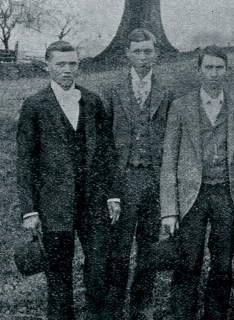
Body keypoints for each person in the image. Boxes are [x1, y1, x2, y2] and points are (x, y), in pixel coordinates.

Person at [16, 40, 122, 320]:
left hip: (93, 203)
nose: (67, 70)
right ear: (47, 66)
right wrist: (30, 210)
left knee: (100, 270)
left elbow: (106, 152)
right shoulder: (34, 106)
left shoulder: (92, 101)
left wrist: (112, 195)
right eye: (60, 64)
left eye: (72, 64)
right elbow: (25, 162)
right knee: (59, 277)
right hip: (54, 206)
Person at [159, 46, 234, 320]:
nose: (214, 74)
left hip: (227, 195)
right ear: (198, 71)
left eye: (219, 68)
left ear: (227, 71)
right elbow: (169, 160)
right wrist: (169, 210)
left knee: (223, 264)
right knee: (188, 262)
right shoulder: (180, 107)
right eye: (208, 68)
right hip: (192, 196)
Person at [101, 28, 175, 320]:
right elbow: (105, 144)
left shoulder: (167, 92)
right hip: (124, 179)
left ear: (156, 54)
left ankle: (142, 304)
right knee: (118, 250)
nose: (143, 57)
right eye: (137, 51)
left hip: (155, 180)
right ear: (127, 54)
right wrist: (111, 190)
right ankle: (114, 305)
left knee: (149, 248)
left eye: (148, 51)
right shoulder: (113, 91)